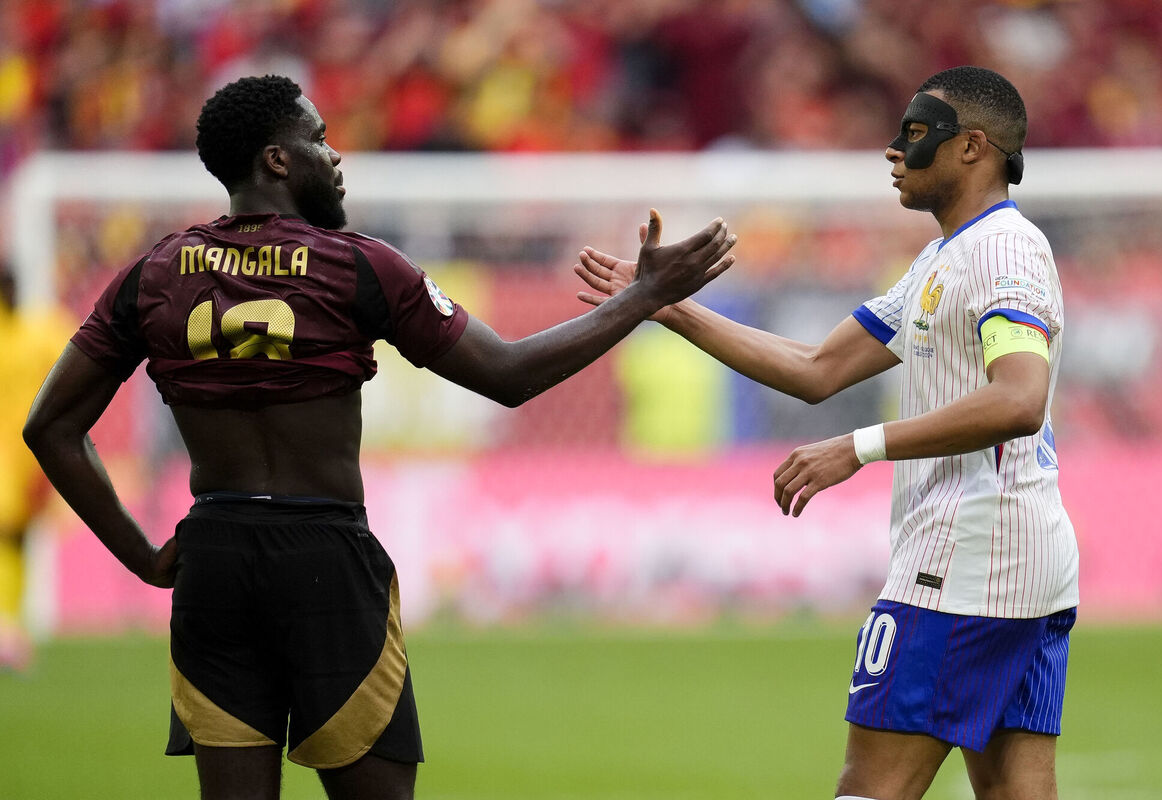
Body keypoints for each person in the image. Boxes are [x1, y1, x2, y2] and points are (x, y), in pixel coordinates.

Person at [23, 74, 735, 800]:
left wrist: (143, 558)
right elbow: (510, 374)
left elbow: (50, 428)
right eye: (319, 139)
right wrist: (644, 297)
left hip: (215, 560)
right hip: (323, 559)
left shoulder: (152, 274)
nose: (335, 157)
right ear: (276, 159)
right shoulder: (356, 265)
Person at [576, 65, 1078, 800]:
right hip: (1018, 559)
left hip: (963, 562)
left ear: (972, 146)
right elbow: (816, 367)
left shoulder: (1003, 250)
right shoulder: (944, 259)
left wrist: (860, 446)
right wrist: (663, 306)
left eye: (915, 133)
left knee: (867, 790)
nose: (894, 150)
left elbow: (1019, 398)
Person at [0, 266, 73, 671]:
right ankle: (7, 630)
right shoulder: (26, 333)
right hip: (7, 458)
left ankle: (10, 627)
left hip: (28, 457)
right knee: (8, 536)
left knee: (19, 540)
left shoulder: (35, 330)